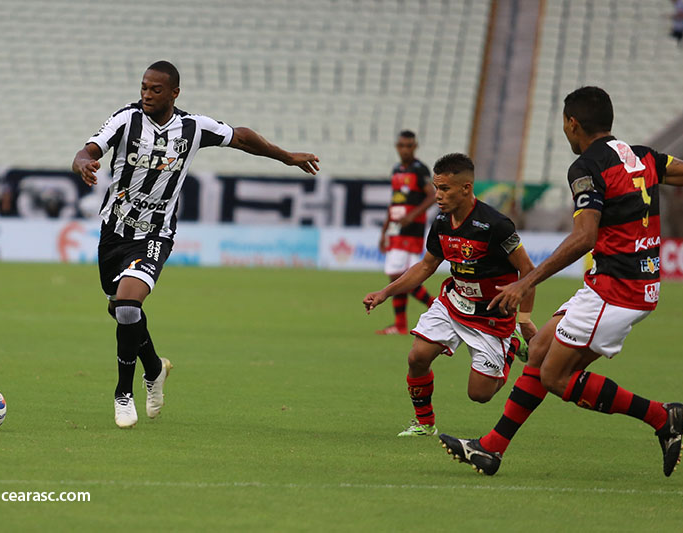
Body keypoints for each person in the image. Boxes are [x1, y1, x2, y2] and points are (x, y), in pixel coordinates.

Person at [438, 86, 683, 476]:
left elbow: (584, 237)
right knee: (539, 348)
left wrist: (526, 282)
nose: (565, 133)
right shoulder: (642, 156)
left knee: (556, 376)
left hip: (616, 291)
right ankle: (491, 449)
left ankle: (661, 416)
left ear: (573, 124)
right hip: (622, 285)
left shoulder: (587, 167)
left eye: (564, 125)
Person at [72, 60, 319, 428]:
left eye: (156, 89)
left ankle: (123, 393)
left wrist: (285, 156)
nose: (146, 94)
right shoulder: (126, 119)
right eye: (143, 87)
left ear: (174, 93)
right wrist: (82, 161)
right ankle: (154, 368)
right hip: (114, 231)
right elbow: (91, 148)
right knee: (120, 311)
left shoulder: (192, 127)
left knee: (127, 306)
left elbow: (241, 136)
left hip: (156, 234)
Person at [364, 153, 537, 437]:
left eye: (444, 189)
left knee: (480, 395)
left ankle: (509, 346)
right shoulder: (442, 222)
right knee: (417, 356)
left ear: (466, 188)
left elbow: (528, 271)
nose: (437, 195)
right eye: (436, 188)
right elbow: (426, 266)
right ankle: (425, 423)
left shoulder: (495, 225)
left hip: (491, 316)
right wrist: (385, 292)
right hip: (453, 303)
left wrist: (524, 320)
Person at [376, 130, 436, 335]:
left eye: (409, 146)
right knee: (399, 276)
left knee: (397, 275)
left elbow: (432, 196)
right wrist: (384, 232)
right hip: (395, 229)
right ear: (397, 147)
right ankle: (400, 324)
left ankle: (434, 305)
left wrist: (413, 215)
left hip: (412, 230)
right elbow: (395, 202)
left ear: (415, 147)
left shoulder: (419, 170)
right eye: (401, 145)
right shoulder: (396, 170)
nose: (405, 149)